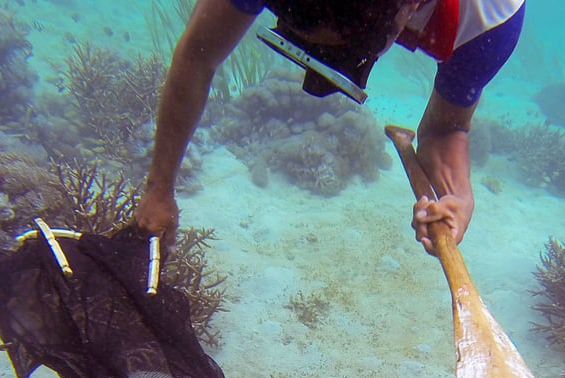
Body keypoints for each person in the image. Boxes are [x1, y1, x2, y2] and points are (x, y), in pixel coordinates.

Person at [135, 0, 525, 255]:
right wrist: (159, 187)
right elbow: (197, 56)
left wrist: (457, 197)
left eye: (344, 54)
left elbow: (446, 128)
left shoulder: (489, 17)